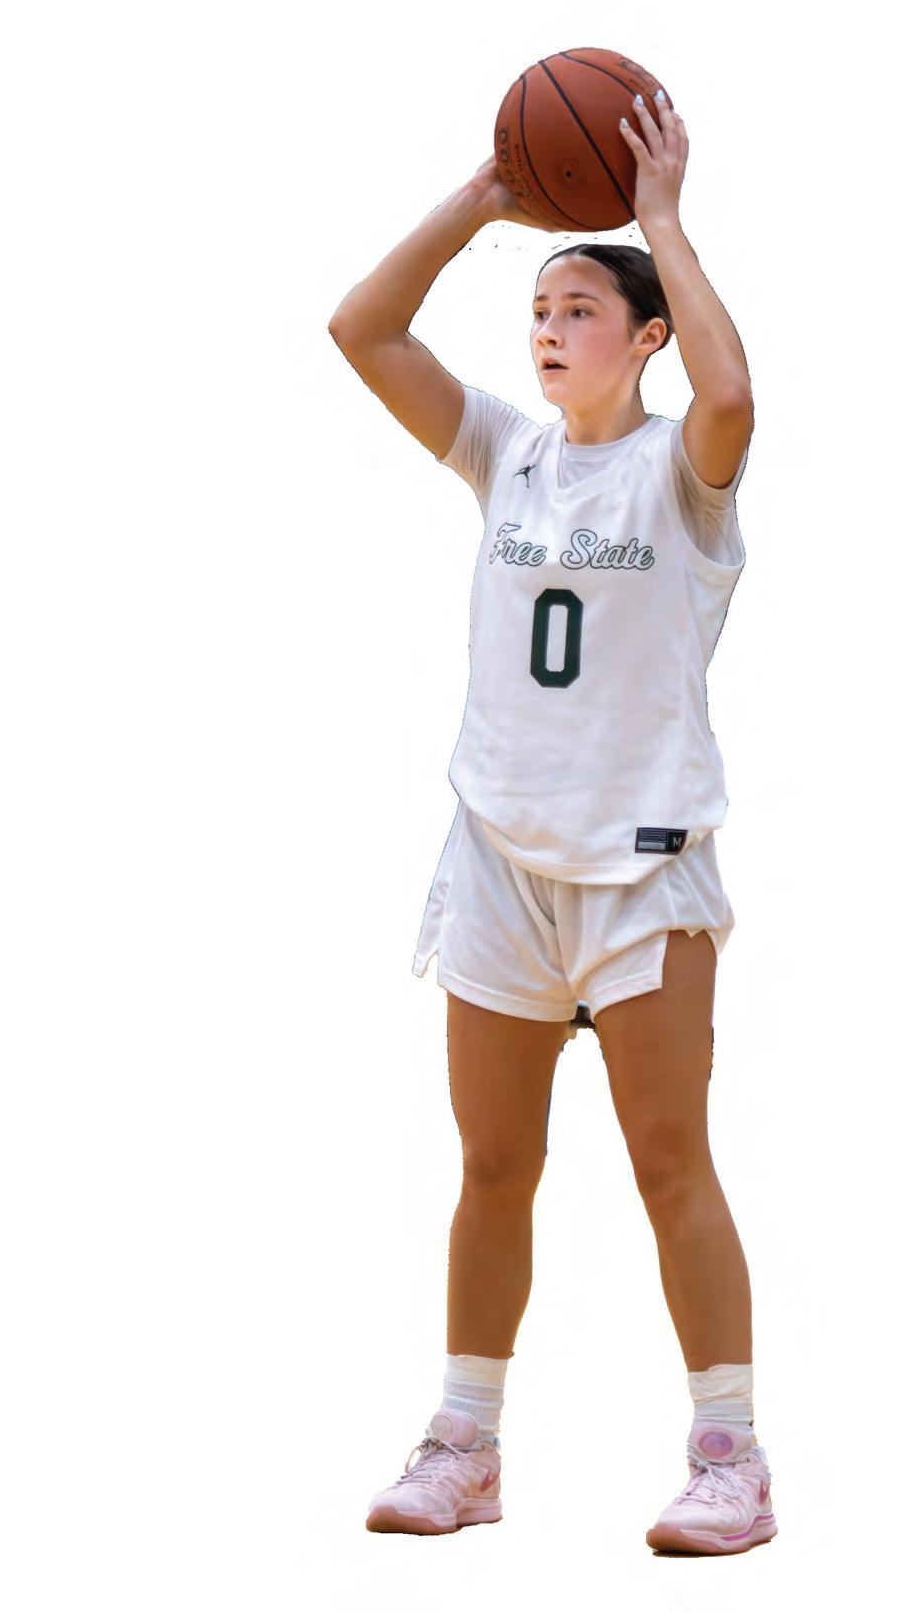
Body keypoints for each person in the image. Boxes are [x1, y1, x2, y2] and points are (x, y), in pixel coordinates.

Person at [328, 90, 776, 1555]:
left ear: (644, 338)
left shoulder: (681, 473)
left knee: (668, 1160)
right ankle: (465, 1445)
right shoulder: (505, 453)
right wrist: (484, 195)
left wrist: (659, 221)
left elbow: (732, 393)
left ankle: (732, 1458)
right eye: (537, 309)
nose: (547, 328)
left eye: (579, 309)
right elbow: (362, 330)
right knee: (492, 1166)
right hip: (501, 857)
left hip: (644, 867)